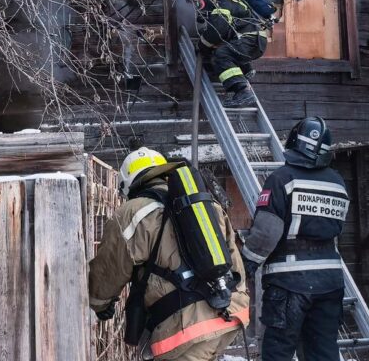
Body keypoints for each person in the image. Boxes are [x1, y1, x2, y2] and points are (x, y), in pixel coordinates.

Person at [88, 148, 250, 361]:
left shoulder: (132, 212)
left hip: (186, 329)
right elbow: (234, 262)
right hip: (229, 312)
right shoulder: (206, 204)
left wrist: (99, 303)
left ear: (127, 184)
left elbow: (109, 268)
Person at [241, 116, 348, 361]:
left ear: (294, 142)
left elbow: (266, 233)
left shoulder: (281, 179)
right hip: (331, 281)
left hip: (289, 283)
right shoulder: (338, 182)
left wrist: (245, 265)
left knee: (278, 352)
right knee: (322, 352)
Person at [186, 0, 269, 108]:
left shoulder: (222, 3)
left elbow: (217, 29)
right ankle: (246, 69)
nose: (198, 8)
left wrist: (202, 45)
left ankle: (243, 91)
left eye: (197, 3)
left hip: (249, 39)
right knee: (227, 49)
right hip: (254, 39)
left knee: (222, 55)